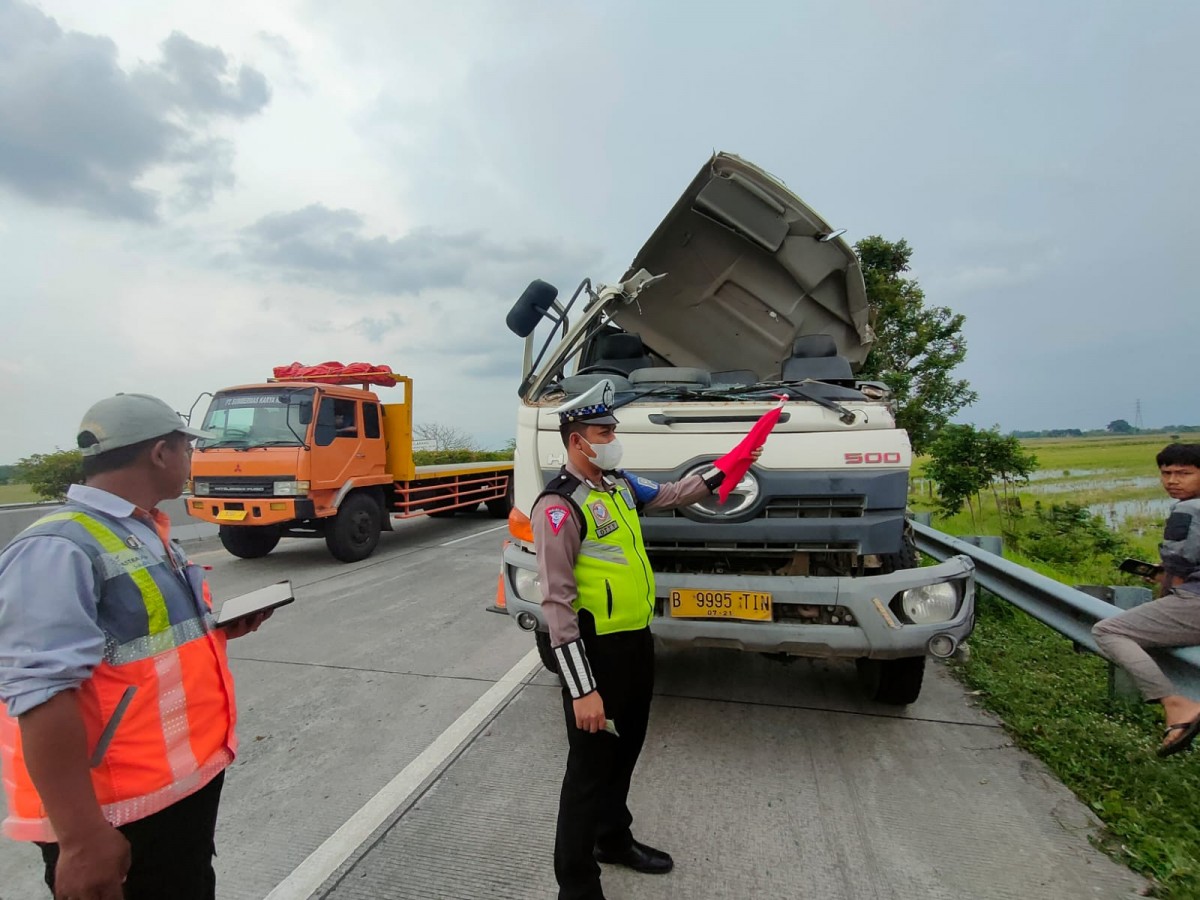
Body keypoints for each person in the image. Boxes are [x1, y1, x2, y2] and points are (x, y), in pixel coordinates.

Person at [0, 393, 272, 899]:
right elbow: (41, 694)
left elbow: (139, 642)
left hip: (175, 797)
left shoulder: (141, 529)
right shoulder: (58, 548)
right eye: (187, 450)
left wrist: (219, 629)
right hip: (116, 815)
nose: (191, 461)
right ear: (160, 453)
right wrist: (81, 840)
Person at [532, 379, 763, 900]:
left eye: (614, 428)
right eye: (602, 429)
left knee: (626, 750)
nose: (613, 436)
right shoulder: (559, 506)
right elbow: (557, 608)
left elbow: (676, 493)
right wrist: (582, 691)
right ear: (576, 440)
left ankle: (612, 841)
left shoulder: (617, 484)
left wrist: (735, 462)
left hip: (635, 641)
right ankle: (577, 886)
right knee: (588, 772)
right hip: (593, 653)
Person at [1093, 442, 1200, 757]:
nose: (1173, 481)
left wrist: (1166, 581)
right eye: (1166, 473)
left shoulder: (1187, 509)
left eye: (1184, 473)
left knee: (1109, 631)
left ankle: (1177, 704)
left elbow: (1180, 563)